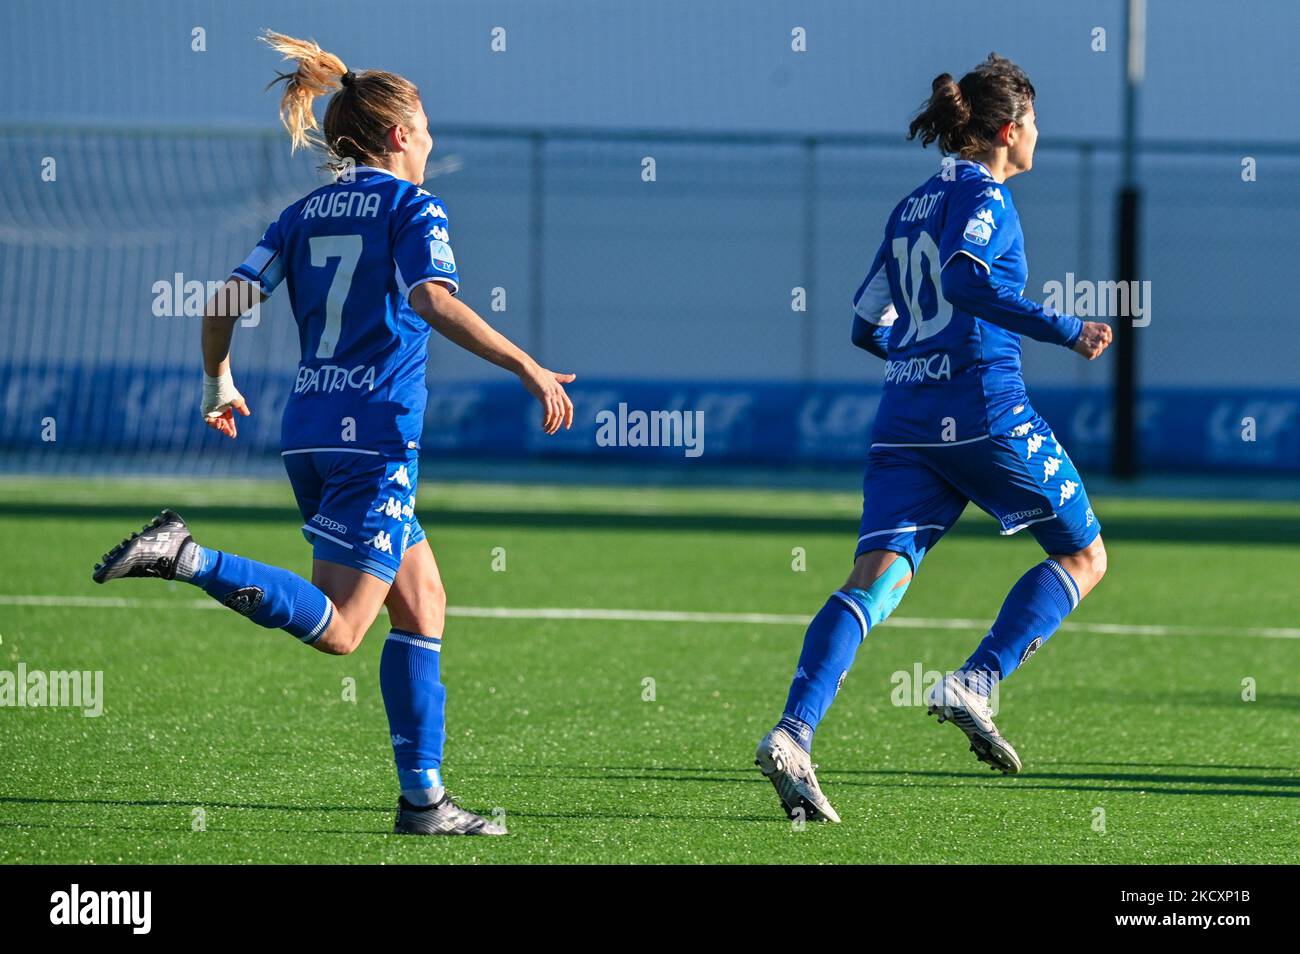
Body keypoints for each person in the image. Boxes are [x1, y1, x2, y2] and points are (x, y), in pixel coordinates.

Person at [93, 31, 577, 837]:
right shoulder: (413, 207)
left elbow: (221, 306)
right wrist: (526, 365)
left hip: (310, 433)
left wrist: (219, 382)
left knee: (423, 604)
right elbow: (430, 300)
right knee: (346, 628)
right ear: (397, 134)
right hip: (376, 441)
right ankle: (187, 554)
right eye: (423, 128)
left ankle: (424, 803)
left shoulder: (300, 214)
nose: (430, 141)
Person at [756, 53, 1112, 823]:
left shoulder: (911, 204)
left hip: (906, 421)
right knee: (1085, 555)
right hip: (984, 410)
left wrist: (919, 363)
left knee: (873, 581)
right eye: (1037, 123)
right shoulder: (987, 198)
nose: (1040, 136)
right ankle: (975, 682)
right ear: (1009, 130)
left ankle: (793, 734)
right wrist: (1065, 329)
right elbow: (962, 280)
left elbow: (865, 326)